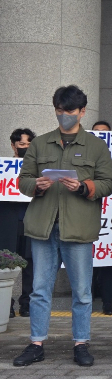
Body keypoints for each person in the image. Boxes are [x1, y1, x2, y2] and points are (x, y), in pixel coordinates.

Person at [13, 85, 112, 368]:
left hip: (78, 227)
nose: (65, 116)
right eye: (60, 111)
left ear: (82, 112)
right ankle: (36, 343)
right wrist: (37, 185)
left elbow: (109, 183)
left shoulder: (95, 146)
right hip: (43, 227)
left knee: (82, 291)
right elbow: (22, 181)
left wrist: (84, 186)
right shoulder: (40, 143)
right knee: (39, 289)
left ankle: (81, 343)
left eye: (70, 111)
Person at [90, 121, 112, 315]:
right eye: (96, 132)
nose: (100, 135)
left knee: (109, 264)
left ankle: (108, 302)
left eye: (104, 133)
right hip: (90, 216)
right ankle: (89, 296)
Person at [2, 128, 36, 319]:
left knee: (31, 264)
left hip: (31, 219)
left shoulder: (38, 167)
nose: (25, 148)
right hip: (8, 221)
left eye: (29, 145)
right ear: (13, 146)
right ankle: (6, 303)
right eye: (22, 145)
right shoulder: (3, 168)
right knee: (6, 262)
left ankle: (27, 303)